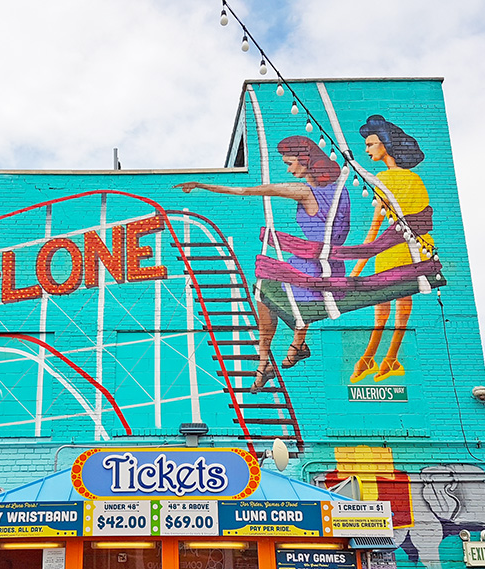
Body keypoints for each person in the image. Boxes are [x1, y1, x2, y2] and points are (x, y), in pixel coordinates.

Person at [176, 135, 351, 392]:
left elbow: (247, 190)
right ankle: (293, 347)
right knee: (273, 285)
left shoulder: (304, 191)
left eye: (290, 163)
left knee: (265, 288)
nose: (288, 169)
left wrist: (202, 185)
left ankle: (266, 360)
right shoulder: (340, 190)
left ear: (306, 160)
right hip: (330, 266)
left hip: (314, 269)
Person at [350, 114, 435, 383]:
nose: (367, 149)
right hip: (420, 250)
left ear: (385, 145)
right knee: (402, 304)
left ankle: (371, 357)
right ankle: (388, 357)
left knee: (382, 308)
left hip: (392, 251)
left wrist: (357, 268)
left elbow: (375, 227)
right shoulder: (415, 179)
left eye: (371, 144)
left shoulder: (383, 179)